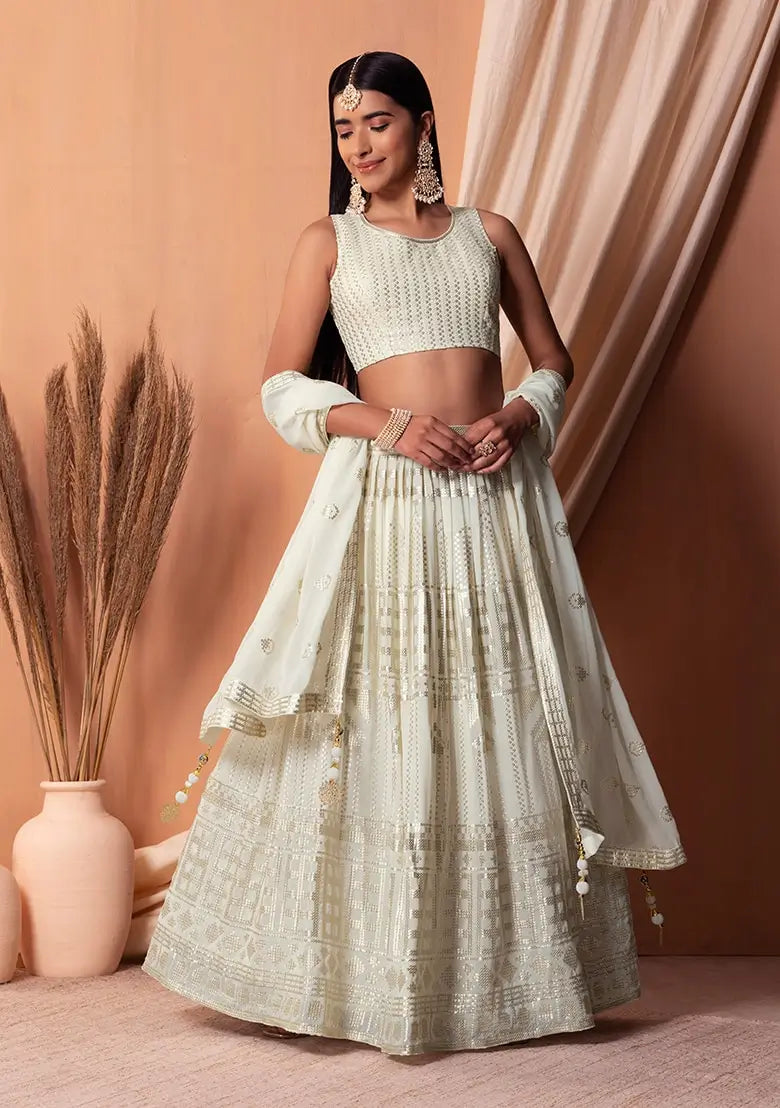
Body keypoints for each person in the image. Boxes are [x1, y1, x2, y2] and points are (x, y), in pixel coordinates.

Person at [142, 50, 686, 1056]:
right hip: (385, 498)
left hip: (492, 494)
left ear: (424, 125)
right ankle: (357, 976)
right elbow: (281, 387)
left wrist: (522, 413)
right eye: (343, 128)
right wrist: (387, 425)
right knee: (382, 705)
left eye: (378, 122)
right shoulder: (329, 242)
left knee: (497, 707)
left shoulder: (490, 233)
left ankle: (502, 978)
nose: (359, 143)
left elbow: (554, 359)